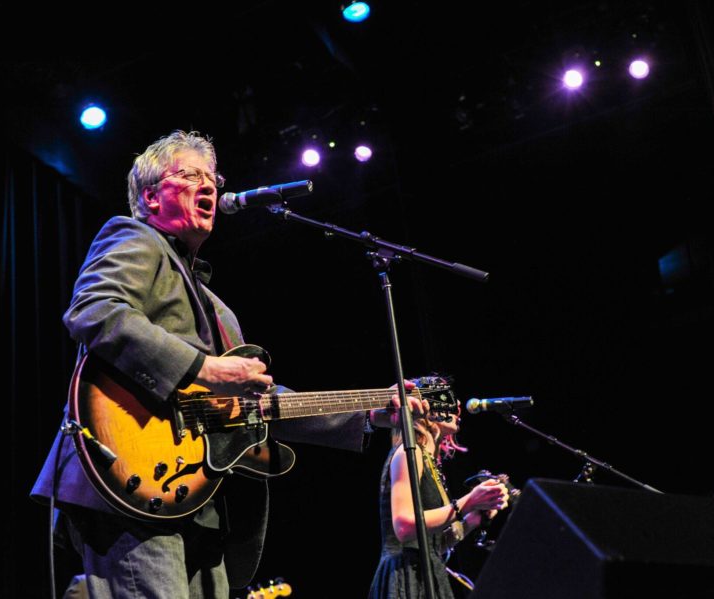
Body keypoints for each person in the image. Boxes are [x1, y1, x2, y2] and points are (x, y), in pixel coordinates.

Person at [31, 130, 423, 599]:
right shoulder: (134, 236)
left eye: (212, 177)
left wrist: (371, 412)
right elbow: (95, 309)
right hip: (131, 480)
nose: (210, 186)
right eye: (190, 174)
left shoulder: (220, 311)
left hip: (200, 500)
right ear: (151, 197)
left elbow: (258, 404)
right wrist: (205, 369)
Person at [368, 404, 510, 599]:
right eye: (450, 404)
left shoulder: (429, 461)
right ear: (424, 407)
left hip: (425, 572)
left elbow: (432, 544)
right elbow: (404, 526)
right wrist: (468, 501)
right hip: (404, 575)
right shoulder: (408, 452)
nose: (458, 411)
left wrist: (473, 518)